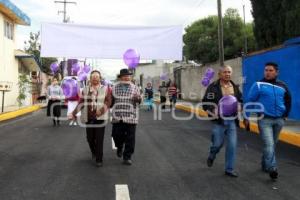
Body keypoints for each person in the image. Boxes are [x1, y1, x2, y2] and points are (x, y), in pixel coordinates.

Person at [244, 62, 291, 180]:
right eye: (266, 70)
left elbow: (288, 100)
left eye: (270, 70)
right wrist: (246, 117)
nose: (267, 72)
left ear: (276, 72)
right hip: (264, 120)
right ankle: (272, 168)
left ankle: (265, 164)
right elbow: (250, 101)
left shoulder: (283, 85)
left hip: (279, 120)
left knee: (272, 145)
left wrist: (285, 115)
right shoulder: (258, 85)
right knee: (269, 144)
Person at [202, 65, 242, 178]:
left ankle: (229, 169)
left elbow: (241, 100)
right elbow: (205, 103)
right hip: (218, 121)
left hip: (232, 120)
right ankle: (212, 154)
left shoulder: (235, 87)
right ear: (219, 74)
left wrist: (240, 106)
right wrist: (212, 110)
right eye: (225, 72)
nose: (227, 74)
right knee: (217, 144)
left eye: (229, 72)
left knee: (232, 145)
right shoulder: (212, 87)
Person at [71, 70, 112, 167]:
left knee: (99, 138)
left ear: (100, 78)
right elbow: (81, 102)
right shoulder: (85, 90)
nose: (95, 78)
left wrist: (101, 110)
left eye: (97, 76)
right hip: (89, 117)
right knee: (90, 138)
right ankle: (94, 152)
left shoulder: (106, 89)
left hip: (100, 117)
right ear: (90, 78)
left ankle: (99, 159)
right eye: (93, 76)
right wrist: (73, 113)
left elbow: (108, 102)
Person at [111, 68, 142, 165]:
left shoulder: (135, 87)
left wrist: (138, 98)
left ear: (130, 77)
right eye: (124, 76)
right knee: (116, 135)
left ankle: (127, 157)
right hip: (118, 116)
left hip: (131, 116)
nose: (126, 78)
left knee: (130, 138)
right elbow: (110, 100)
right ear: (120, 78)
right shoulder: (114, 87)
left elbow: (140, 100)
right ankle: (119, 147)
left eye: (128, 76)